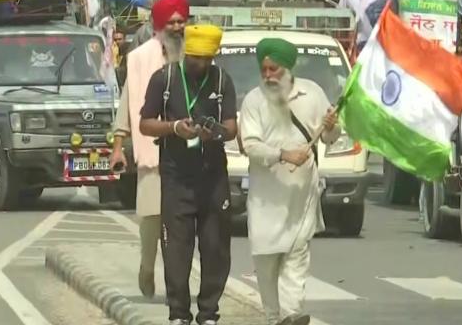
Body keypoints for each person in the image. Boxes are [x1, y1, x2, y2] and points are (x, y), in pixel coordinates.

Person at [139, 24, 238, 325]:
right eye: (197, 58)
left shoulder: (222, 80)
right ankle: (178, 313)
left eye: (208, 58)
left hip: (213, 178)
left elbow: (232, 128)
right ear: (186, 54)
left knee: (215, 247)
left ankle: (208, 313)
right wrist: (174, 128)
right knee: (177, 250)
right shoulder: (164, 79)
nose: (203, 65)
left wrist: (215, 133)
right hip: (176, 177)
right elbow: (145, 124)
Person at [239, 38, 340, 325]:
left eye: (275, 69)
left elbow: (330, 137)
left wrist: (332, 127)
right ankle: (274, 318)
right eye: (264, 69)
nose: (269, 75)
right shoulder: (253, 101)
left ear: (288, 69)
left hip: (302, 196)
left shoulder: (313, 94)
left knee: (297, 258)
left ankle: (292, 315)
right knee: (268, 264)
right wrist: (283, 155)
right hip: (265, 199)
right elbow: (251, 146)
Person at [110, 0, 190, 298]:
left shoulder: (194, 54)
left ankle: (175, 282)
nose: (177, 26)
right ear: (159, 25)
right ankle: (147, 266)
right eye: (171, 21)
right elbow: (127, 103)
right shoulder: (141, 58)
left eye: (181, 20)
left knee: (181, 223)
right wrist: (119, 145)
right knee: (152, 219)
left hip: (188, 153)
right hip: (152, 153)